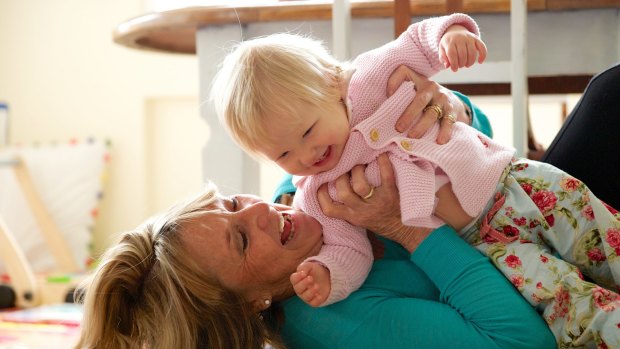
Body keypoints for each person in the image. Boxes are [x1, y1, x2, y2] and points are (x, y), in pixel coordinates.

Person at [211, 14, 620, 347]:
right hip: (487, 245)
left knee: (602, 233)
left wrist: (452, 42)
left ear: (332, 82)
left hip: (513, 184)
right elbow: (349, 250)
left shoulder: (368, 79)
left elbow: (418, 40)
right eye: (283, 155)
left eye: (306, 134)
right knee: (567, 300)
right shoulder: (319, 195)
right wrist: (327, 274)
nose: (305, 157)